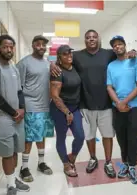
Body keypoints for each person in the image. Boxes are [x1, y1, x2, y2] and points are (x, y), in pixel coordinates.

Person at [51, 29, 137, 178]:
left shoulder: (108, 53)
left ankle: (108, 161)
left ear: (98, 39)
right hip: (85, 104)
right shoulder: (77, 55)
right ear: (85, 40)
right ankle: (93, 158)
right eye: (88, 37)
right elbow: (63, 59)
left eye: (94, 37)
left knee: (107, 135)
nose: (91, 39)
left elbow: (122, 53)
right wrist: (51, 64)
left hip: (106, 103)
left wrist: (132, 52)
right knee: (89, 135)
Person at [0, 35, 30, 195]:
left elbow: (19, 91)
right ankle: (10, 185)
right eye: (5, 47)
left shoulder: (13, 67)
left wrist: (22, 108)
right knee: (7, 153)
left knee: (16, 150)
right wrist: (14, 112)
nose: (9, 50)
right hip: (2, 119)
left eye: (11, 47)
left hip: (17, 117)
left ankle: (13, 178)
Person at [107, 36, 137, 184]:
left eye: (120, 44)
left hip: (134, 107)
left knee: (133, 137)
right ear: (113, 49)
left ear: (125, 45)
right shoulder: (111, 66)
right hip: (117, 107)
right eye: (115, 45)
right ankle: (125, 164)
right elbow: (109, 87)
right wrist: (118, 103)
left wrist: (125, 102)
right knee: (121, 137)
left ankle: (133, 167)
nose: (117, 47)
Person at [16, 35, 54, 182]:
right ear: (33, 45)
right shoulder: (24, 63)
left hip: (45, 105)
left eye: (44, 45)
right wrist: (21, 106)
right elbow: (18, 86)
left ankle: (41, 162)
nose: (41, 47)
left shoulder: (47, 63)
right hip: (30, 105)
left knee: (42, 134)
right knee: (30, 137)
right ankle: (24, 167)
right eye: (38, 44)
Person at [50, 45, 85, 177]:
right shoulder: (57, 72)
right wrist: (66, 112)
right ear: (59, 57)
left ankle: (72, 157)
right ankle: (65, 164)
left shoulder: (74, 67)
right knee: (61, 137)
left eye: (70, 53)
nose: (69, 56)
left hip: (74, 108)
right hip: (60, 109)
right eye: (65, 54)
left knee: (80, 136)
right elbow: (54, 96)